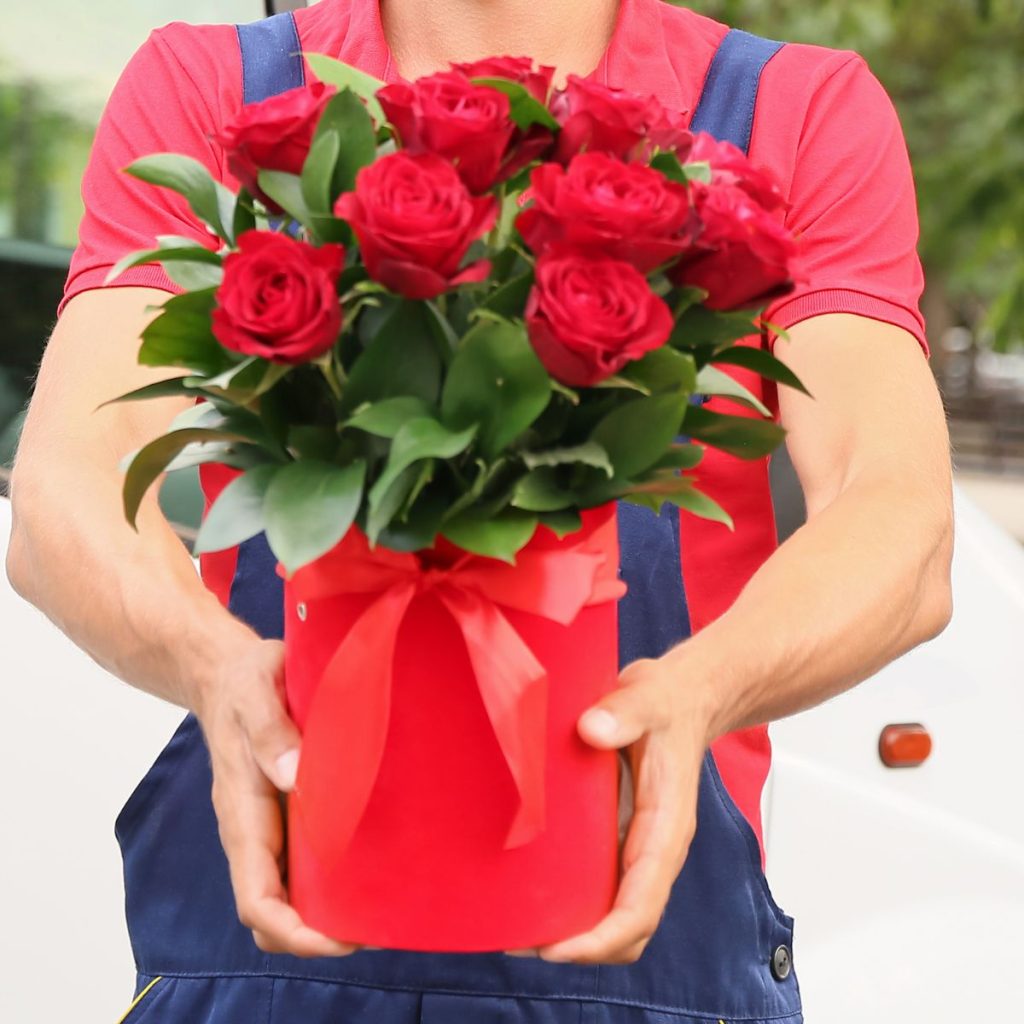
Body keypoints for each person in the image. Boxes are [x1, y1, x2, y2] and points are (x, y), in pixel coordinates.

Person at [6, 0, 953, 1020]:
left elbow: (895, 513)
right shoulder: (221, 92)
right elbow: (69, 487)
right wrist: (215, 667)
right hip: (264, 971)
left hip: (648, 974)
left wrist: (699, 693)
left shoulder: (789, 111)